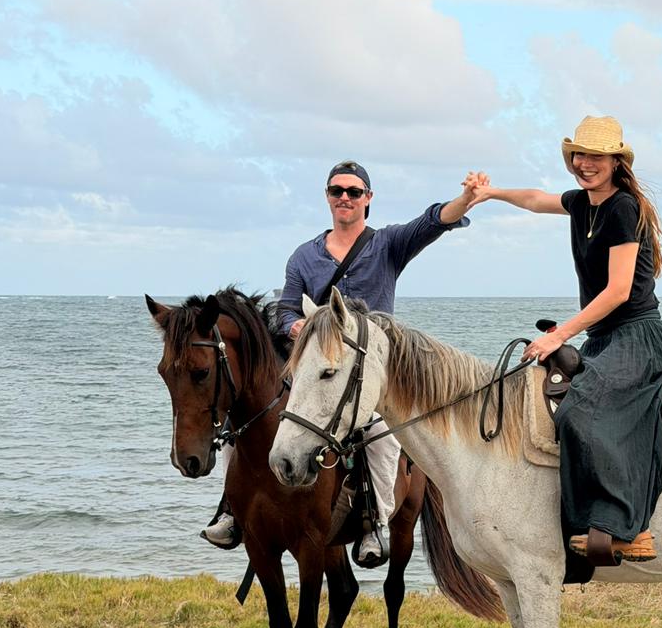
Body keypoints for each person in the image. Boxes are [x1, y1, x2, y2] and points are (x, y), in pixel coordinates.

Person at [203, 161, 487, 565]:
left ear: (368, 199)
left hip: (368, 367)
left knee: (383, 431)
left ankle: (374, 523)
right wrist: (295, 325)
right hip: (317, 364)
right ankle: (232, 510)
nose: (345, 198)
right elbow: (285, 308)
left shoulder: (387, 244)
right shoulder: (304, 256)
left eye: (354, 192)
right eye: (337, 190)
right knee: (245, 420)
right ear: (327, 197)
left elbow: (430, 224)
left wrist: (464, 200)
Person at [467, 116, 662, 563]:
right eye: (579, 155)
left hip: (638, 335)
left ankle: (629, 529)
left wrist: (560, 334)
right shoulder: (584, 203)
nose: (585, 164)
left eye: (596, 156)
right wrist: (490, 194)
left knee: (582, 410)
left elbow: (619, 291)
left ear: (616, 161)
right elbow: (535, 199)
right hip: (606, 336)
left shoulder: (623, 208)